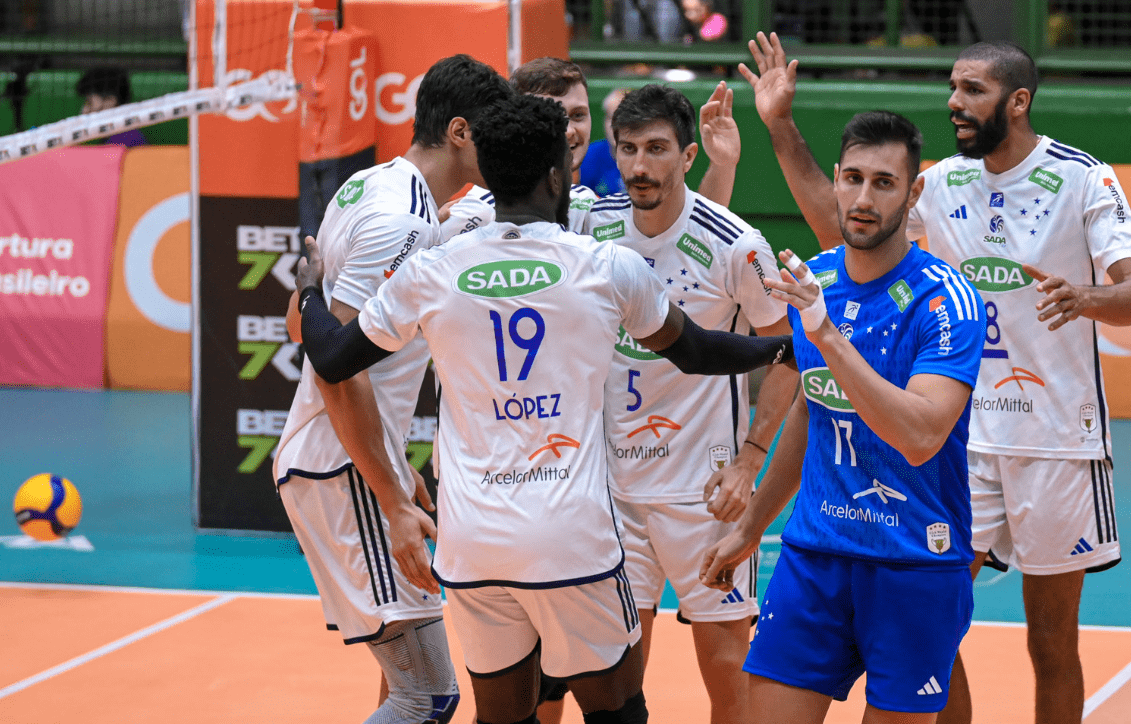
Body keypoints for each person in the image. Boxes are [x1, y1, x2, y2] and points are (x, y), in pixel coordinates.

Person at [294, 93, 795, 724]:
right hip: (572, 537)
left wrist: (312, 290)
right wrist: (790, 346)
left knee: (504, 716)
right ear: (557, 175)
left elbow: (334, 358)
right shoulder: (606, 266)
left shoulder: (431, 271)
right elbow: (699, 352)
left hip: (474, 541)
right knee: (617, 711)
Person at [737, 32, 1131, 724]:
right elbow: (843, 226)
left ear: (1017, 101)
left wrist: (1085, 297)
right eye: (953, 88)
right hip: (956, 435)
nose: (954, 102)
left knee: (1051, 638)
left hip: (1057, 437)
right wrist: (781, 126)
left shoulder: (1085, 177)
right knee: (938, 621)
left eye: (972, 91)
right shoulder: (940, 181)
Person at [700, 109, 986, 724]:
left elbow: (920, 435)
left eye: (883, 183)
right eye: (852, 178)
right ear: (834, 180)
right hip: (815, 555)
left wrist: (826, 333)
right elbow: (813, 408)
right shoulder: (818, 276)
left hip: (912, 563)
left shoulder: (947, 300)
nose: (862, 197)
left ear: (913, 194)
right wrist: (751, 528)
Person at [274, 54, 514, 724]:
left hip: (344, 460)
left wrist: (396, 468)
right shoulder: (402, 224)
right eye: (490, 134)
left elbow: (301, 317)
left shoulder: (366, 186)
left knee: (417, 690)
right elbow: (334, 366)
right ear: (462, 132)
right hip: (340, 467)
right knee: (425, 695)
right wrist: (392, 498)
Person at [586, 83, 798, 724]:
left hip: (706, 493)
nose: (640, 166)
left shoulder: (738, 244)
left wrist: (749, 462)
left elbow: (788, 353)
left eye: (656, 149)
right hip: (611, 491)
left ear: (685, 156)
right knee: (616, 674)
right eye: (628, 150)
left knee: (729, 668)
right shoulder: (590, 229)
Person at [442, 59, 743, 240]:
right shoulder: (472, 214)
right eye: (554, 116)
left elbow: (687, 229)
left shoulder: (589, 208)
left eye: (578, 115)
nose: (571, 131)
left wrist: (723, 165)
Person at [74, 67, 147, 147]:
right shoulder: (115, 136)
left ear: (109, 101)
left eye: (89, 102)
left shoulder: (125, 138)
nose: (84, 110)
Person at [581, 88, 629, 197]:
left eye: (623, 119)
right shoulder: (589, 156)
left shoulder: (648, 159)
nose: (614, 126)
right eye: (610, 118)